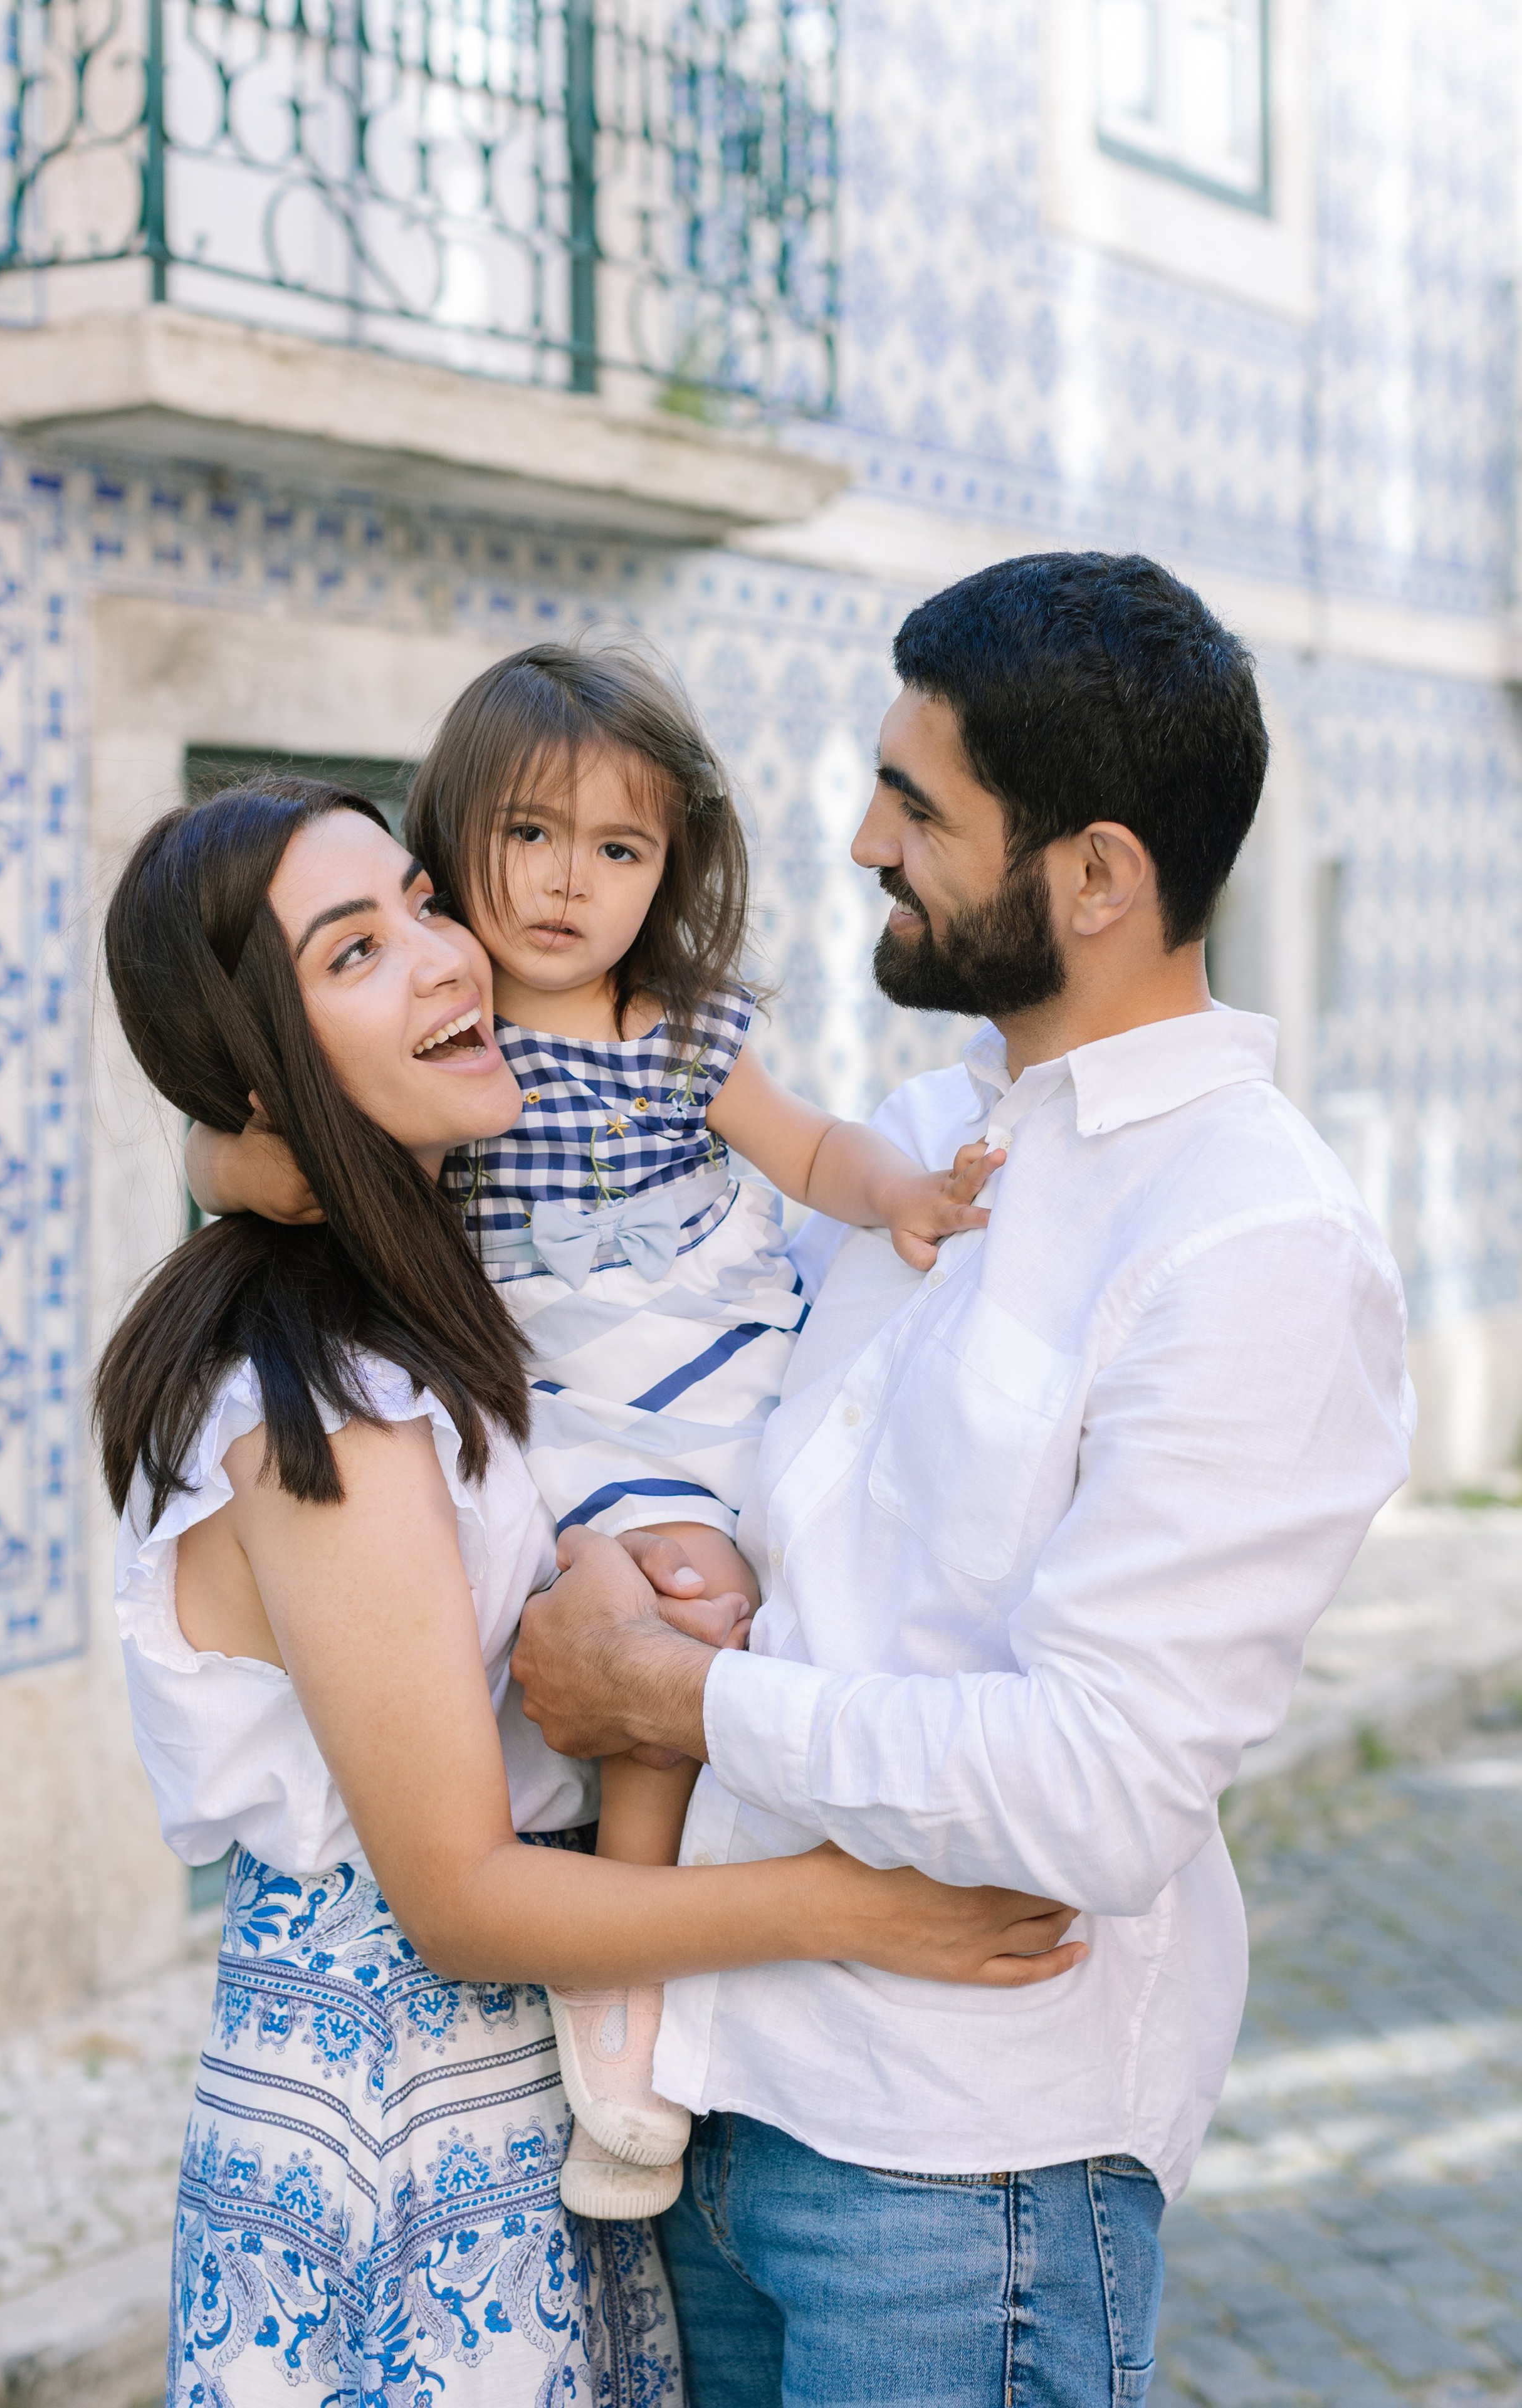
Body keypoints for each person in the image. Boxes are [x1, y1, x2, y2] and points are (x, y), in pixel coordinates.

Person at [511, 553, 1416, 2407]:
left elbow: (1095, 1789)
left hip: (958, 2178)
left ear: (1095, 874)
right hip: (713, 2115)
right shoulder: (921, 1148)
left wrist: (680, 1698)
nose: (858, 841)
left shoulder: (1250, 1237)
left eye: (916, 804)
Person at [103, 777, 1083, 2405]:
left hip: (521, 2096)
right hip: (405, 2111)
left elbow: (263, 1141)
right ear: (261, 1064)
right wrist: (868, 1911)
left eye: (424, 901)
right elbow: (462, 1899)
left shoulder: (431, 1277)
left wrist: (267, 1135)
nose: (447, 957)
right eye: (357, 951)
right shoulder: (334, 1412)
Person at [184, 643, 996, 2219]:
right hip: (583, 1422)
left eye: (617, 850)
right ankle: (634, 1985)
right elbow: (276, 1137)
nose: (556, 893)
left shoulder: (664, 1032)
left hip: (719, 1377)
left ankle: (673, 1963)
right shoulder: (353, 1343)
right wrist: (232, 1156)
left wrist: (901, 1193)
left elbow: (809, 1144)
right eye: (521, 844)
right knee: (674, 1606)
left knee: (764, 1596)